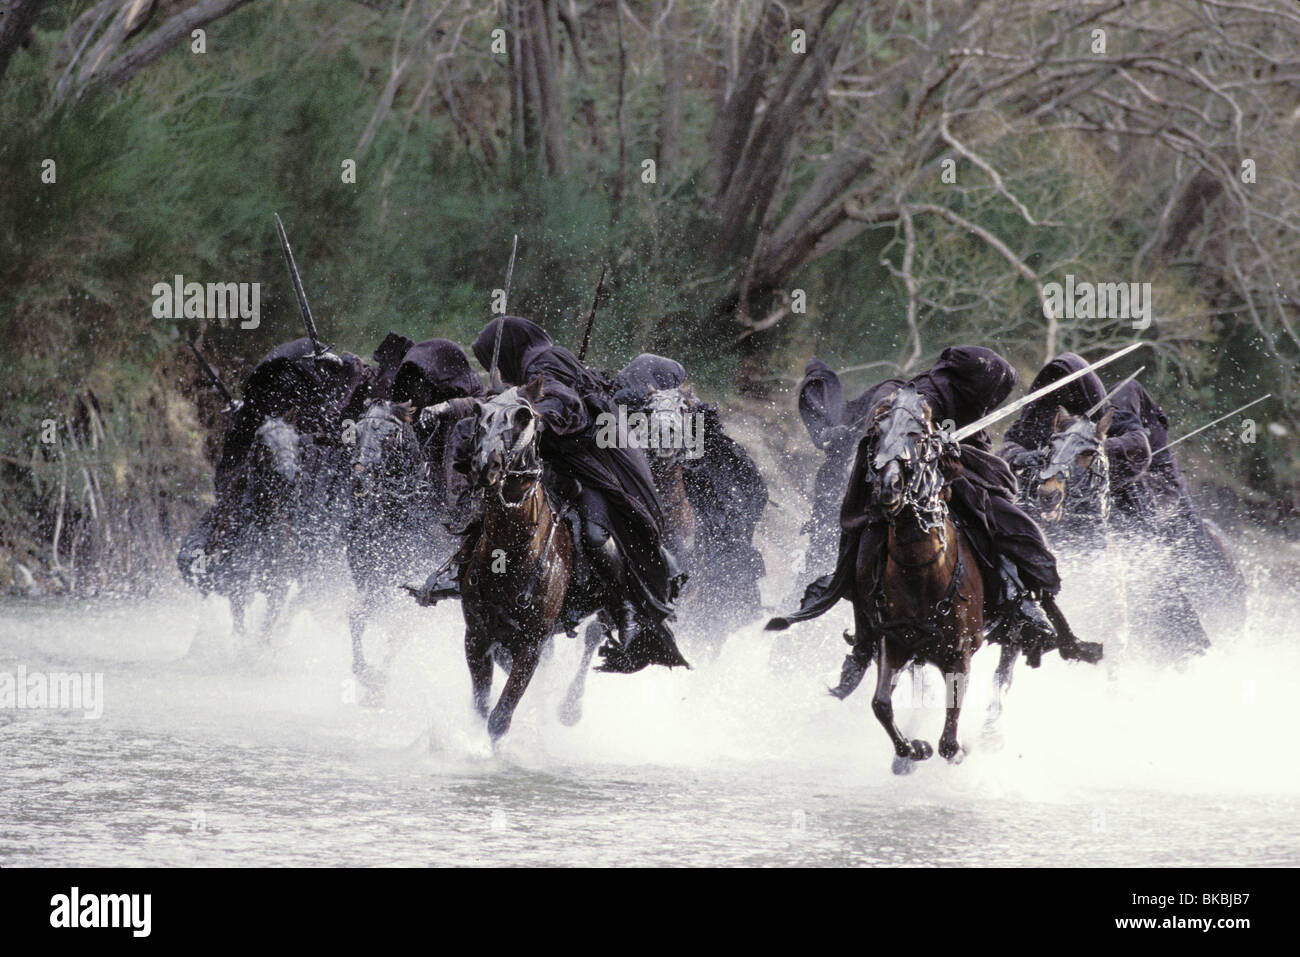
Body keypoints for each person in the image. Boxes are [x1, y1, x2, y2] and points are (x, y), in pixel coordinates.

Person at [770, 346, 1095, 682]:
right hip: (897, 487)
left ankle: (1024, 601)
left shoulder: (964, 403)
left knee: (1010, 523)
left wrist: (955, 452)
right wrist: (930, 448)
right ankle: (864, 638)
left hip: (948, 478)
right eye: (991, 392)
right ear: (975, 383)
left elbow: (981, 448)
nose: (991, 401)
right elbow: (889, 439)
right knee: (867, 543)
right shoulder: (912, 396)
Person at [421, 318, 688, 674]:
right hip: (539, 461)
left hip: (585, 463)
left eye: (495, 361)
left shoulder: (548, 361)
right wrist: (461, 412)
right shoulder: (524, 372)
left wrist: (535, 418)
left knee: (596, 535)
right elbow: (493, 405)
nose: (496, 369)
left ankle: (624, 609)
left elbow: (565, 402)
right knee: (491, 515)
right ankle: (461, 575)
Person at [613, 353, 769, 626]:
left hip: (682, 483)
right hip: (635, 485)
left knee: (718, 515)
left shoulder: (684, 407)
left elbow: (707, 439)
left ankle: (713, 592)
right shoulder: (624, 401)